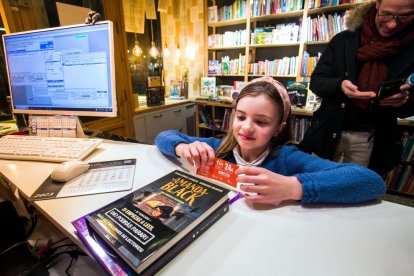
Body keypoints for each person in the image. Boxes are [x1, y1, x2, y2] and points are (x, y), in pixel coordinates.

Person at [155, 76, 386, 206]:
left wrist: (293, 187)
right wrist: (183, 146)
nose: (246, 127)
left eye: (261, 122)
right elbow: (163, 136)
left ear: (278, 129)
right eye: (241, 116)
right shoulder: (219, 148)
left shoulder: (287, 159)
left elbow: (370, 181)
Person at [299, 0, 414, 175]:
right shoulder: (343, 40)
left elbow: (410, 105)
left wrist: (404, 101)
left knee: (355, 192)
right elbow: (317, 81)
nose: (392, 24)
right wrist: (340, 86)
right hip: (329, 129)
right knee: (313, 183)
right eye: (387, 14)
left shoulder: (411, 51)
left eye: (404, 16)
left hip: (374, 138)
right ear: (377, 4)